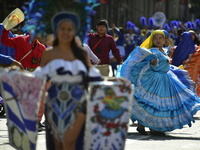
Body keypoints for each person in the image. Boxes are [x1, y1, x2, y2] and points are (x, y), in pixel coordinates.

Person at [32, 11, 102, 150]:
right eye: (62, 28)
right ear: (56, 30)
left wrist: (115, 81)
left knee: (70, 141)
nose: (66, 32)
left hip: (78, 101)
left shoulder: (81, 53)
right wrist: (13, 75)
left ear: (75, 32)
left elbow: (93, 75)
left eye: (69, 29)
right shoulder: (48, 53)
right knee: (58, 144)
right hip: (53, 102)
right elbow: (37, 77)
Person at [117, 30, 200, 136]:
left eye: (160, 38)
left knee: (154, 103)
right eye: (155, 38)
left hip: (165, 78)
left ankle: (143, 125)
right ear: (152, 40)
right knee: (154, 103)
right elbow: (153, 66)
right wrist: (153, 61)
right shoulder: (153, 52)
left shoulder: (163, 51)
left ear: (164, 40)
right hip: (156, 80)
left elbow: (165, 65)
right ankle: (153, 127)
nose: (158, 40)